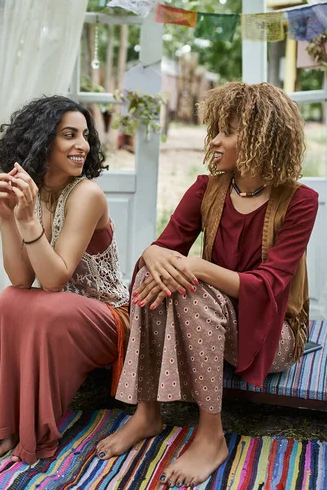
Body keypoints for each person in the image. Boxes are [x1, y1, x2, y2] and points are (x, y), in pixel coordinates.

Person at [96, 82, 319, 487]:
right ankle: (148, 413)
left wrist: (197, 267)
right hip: (215, 317)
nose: (214, 139)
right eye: (215, 129)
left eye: (227, 131)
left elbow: (270, 285)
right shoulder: (206, 189)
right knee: (153, 276)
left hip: (274, 331)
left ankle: (211, 434)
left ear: (260, 137)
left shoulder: (300, 201)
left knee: (191, 287)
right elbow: (164, 249)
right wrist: (151, 254)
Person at [0, 95, 130, 464]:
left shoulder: (86, 194)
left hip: (112, 318)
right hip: (62, 310)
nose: (82, 145)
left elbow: (52, 280)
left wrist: (28, 221)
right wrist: (6, 217)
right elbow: (21, 278)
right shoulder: (35, 191)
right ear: (43, 140)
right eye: (69, 135)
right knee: (8, 300)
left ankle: (38, 435)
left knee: (45, 307)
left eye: (84, 135)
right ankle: (6, 427)